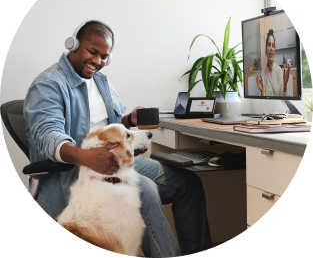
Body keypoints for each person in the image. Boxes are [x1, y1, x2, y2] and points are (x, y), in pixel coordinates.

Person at [23, 20, 213, 257]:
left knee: (187, 184)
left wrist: (128, 120)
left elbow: (110, 125)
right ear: (73, 44)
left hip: (114, 162)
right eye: (92, 52)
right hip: (76, 169)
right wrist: (87, 157)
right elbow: (47, 135)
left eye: (105, 56)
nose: (98, 62)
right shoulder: (49, 84)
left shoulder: (101, 81)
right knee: (144, 189)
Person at [256, 29, 291, 96]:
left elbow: (284, 98)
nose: (271, 48)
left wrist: (285, 85)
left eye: (273, 45)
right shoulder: (263, 75)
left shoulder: (279, 71)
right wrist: (262, 91)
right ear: (266, 49)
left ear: (274, 50)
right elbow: (263, 101)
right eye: (269, 45)